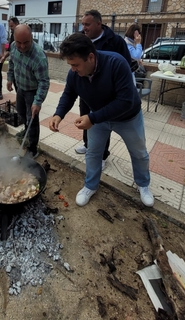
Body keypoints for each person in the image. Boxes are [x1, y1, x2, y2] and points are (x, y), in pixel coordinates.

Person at [49, 33, 154, 208]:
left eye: (76, 65)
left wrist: (92, 117)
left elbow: (125, 101)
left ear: (91, 57)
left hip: (128, 117)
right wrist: (58, 114)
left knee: (139, 153)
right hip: (98, 117)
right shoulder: (74, 73)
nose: (73, 69)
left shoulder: (116, 63)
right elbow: (69, 93)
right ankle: (90, 186)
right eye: (70, 65)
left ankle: (143, 185)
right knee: (93, 153)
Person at [74, 10, 131, 170]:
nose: (83, 28)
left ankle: (103, 154)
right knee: (86, 118)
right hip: (86, 88)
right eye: (82, 24)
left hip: (107, 92)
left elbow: (126, 65)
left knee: (102, 120)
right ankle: (88, 145)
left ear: (99, 24)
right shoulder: (81, 39)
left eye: (87, 24)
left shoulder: (115, 41)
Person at [7, 24, 50, 158]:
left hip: (32, 91)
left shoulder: (39, 57)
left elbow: (44, 82)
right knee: (21, 113)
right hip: (20, 87)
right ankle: (26, 132)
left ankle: (33, 148)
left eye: (26, 42)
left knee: (32, 119)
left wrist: (38, 102)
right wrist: (10, 78)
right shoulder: (14, 46)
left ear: (32, 38)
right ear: (14, 39)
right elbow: (12, 63)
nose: (23, 46)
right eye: (19, 42)